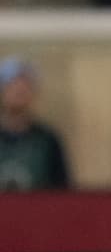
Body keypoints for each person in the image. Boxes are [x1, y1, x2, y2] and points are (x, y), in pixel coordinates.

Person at [0, 58, 71, 191]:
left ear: (34, 93)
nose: (18, 92)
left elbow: (62, 191)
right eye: (12, 86)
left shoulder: (48, 140)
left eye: (24, 88)